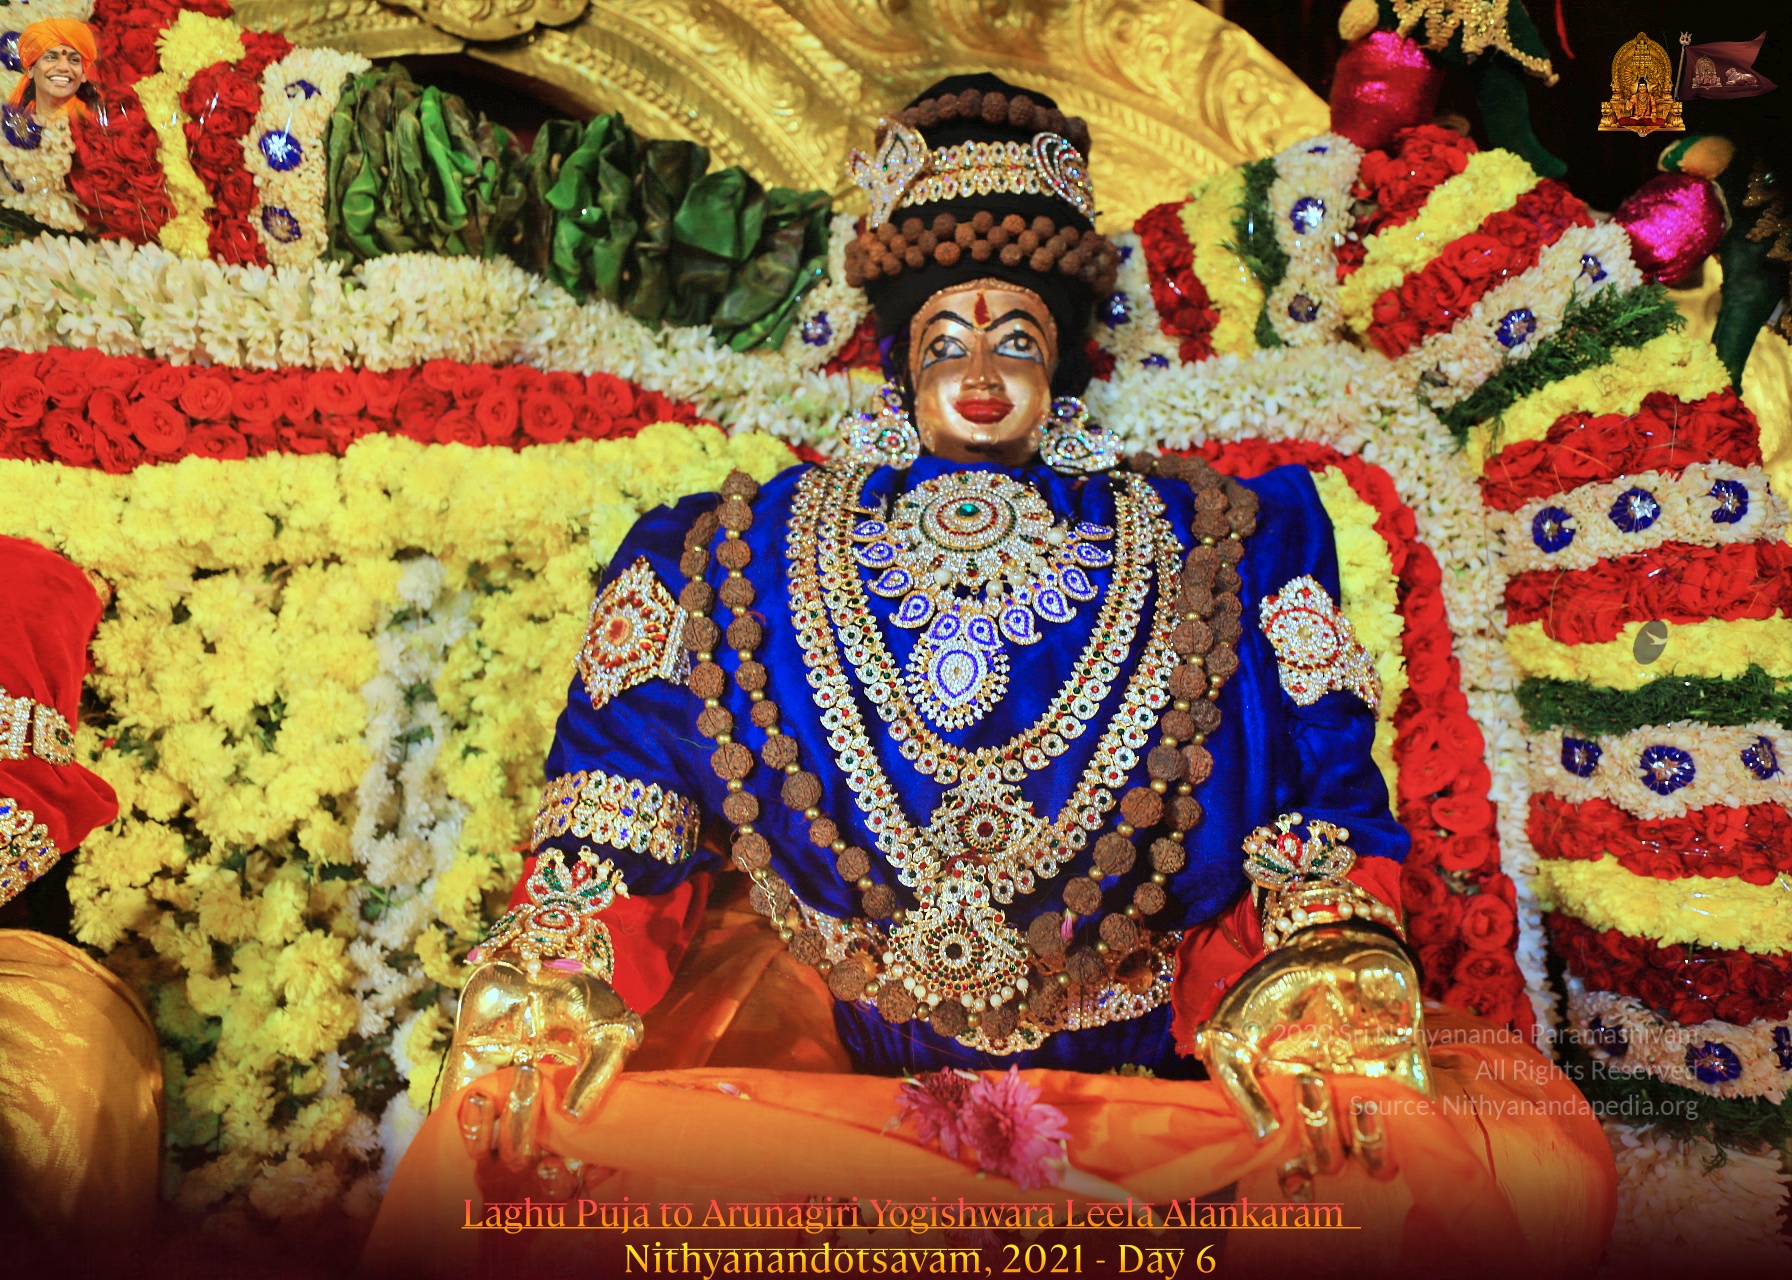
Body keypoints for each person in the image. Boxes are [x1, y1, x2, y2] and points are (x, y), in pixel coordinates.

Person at [367, 76, 1615, 1277]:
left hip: (1162, 1085)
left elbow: (1315, 779)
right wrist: (560, 972)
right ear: (900, 361)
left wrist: (1320, 956)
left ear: (1058, 363)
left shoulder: (1227, 538)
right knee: (538, 1139)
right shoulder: (729, 545)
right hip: (840, 1088)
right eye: (945, 338)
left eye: (1015, 337)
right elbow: (621, 791)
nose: (979, 368)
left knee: (1396, 1156)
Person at [6, 19, 100, 123]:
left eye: (74, 60)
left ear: (83, 74)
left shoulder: (87, 121)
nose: (63, 67)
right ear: (31, 69)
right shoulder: (20, 109)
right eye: (51, 57)